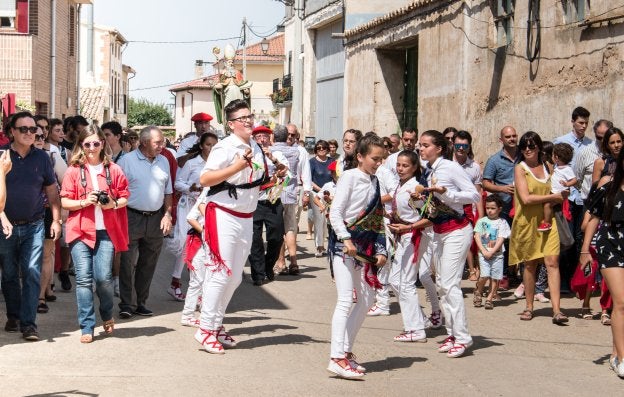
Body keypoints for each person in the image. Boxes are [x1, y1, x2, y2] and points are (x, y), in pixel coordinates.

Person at [195, 99, 267, 353]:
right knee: (220, 272)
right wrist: (236, 166)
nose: (248, 121)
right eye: (242, 118)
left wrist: (273, 178)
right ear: (231, 123)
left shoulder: (255, 146)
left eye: (250, 116)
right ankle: (205, 329)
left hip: (246, 216)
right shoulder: (225, 147)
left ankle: (215, 324)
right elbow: (205, 178)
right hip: (223, 214)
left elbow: (250, 182)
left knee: (235, 277)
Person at [60, 125, 129, 343]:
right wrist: (83, 201)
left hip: (106, 232)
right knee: (83, 280)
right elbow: (64, 201)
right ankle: (87, 326)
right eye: (87, 143)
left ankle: (107, 313)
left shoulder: (114, 170)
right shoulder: (73, 171)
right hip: (80, 230)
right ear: (81, 145)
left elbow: (126, 196)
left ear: (102, 143)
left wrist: (112, 204)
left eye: (95, 143)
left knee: (103, 279)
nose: (91, 148)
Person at [327, 134, 388, 378]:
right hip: (345, 247)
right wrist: (346, 239)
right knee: (345, 300)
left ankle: (346, 351)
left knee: (367, 298)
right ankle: (336, 357)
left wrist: (381, 249)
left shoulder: (375, 181)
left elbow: (378, 217)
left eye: (381, 159)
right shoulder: (350, 177)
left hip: (366, 249)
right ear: (360, 157)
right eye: (375, 158)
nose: (378, 163)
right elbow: (335, 212)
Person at [0, 112, 62, 341]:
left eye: (33, 129)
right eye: (23, 129)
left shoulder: (43, 158)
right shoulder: (1, 156)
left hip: (34, 225)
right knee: (8, 275)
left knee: (32, 272)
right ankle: (14, 315)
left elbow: (52, 191)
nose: (30, 133)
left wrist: (56, 219)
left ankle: (29, 323)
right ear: (12, 132)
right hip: (5, 227)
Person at [418, 130, 479, 358]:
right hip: (439, 231)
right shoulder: (430, 170)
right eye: (420, 145)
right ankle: (453, 333)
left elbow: (473, 195)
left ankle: (463, 338)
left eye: (425, 145)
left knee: (451, 285)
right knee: (443, 283)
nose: (421, 149)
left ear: (439, 148)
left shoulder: (451, 167)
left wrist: (448, 194)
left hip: (458, 230)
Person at [509, 131, 569, 324]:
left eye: (532, 145)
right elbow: (526, 199)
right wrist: (553, 198)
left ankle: (557, 310)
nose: (528, 149)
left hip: (548, 220)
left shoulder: (548, 166)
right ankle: (529, 306)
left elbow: (557, 188)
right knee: (530, 264)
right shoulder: (520, 168)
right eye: (524, 146)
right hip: (527, 223)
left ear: (538, 147)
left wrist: (562, 193)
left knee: (552, 262)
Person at [117, 126, 173, 319]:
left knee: (148, 263)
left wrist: (167, 215)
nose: (161, 145)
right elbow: (117, 191)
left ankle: (140, 302)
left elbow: (168, 192)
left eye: (162, 141)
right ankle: (126, 303)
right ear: (144, 142)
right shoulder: (127, 161)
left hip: (156, 218)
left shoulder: (164, 161)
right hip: (131, 216)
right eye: (157, 142)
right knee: (127, 262)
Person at [580, 149, 624, 378]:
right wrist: (585, 249)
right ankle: (622, 359)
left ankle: (616, 351)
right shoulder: (608, 185)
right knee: (621, 301)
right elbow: (594, 216)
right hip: (611, 248)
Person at [386, 150, 433, 341]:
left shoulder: (417, 188)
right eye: (398, 165)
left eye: (405, 166)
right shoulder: (400, 185)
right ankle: (421, 320)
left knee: (406, 283)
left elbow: (430, 217)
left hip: (415, 236)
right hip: (403, 237)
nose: (400, 169)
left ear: (414, 168)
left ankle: (415, 330)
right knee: (395, 281)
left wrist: (409, 225)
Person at [168, 132, 218, 298]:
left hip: (209, 208)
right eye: (208, 144)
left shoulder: (219, 164)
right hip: (189, 207)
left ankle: (198, 288)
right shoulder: (191, 163)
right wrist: (192, 188)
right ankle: (176, 281)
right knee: (186, 242)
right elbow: (177, 183)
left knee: (204, 245)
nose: (211, 148)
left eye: (214, 145)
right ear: (202, 146)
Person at [554, 106, 593, 292]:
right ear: (573, 121)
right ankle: (562, 281)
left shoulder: (590, 145)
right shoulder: (561, 142)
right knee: (565, 239)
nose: (583, 126)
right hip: (565, 199)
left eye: (586, 123)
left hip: (583, 198)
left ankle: (578, 282)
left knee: (580, 239)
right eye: (580, 123)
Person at [33, 124, 67, 314]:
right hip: (23, 213)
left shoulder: (53, 156)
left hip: (47, 211)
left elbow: (66, 180)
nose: (37, 139)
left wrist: (61, 210)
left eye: (40, 136)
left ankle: (40, 297)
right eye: (33, 135)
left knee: (46, 255)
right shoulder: (13, 157)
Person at [248, 125, 288, 285]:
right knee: (254, 239)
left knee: (276, 236)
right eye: (258, 137)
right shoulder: (250, 156)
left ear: (270, 138)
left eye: (265, 136)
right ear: (254, 139)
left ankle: (268, 265)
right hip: (254, 201)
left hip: (273, 200)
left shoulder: (277, 154)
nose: (262, 139)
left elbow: (286, 172)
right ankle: (258, 274)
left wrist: (272, 158)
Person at [482, 126, 518, 290]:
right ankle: (502, 275)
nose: (512, 139)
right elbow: (486, 182)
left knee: (520, 241)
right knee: (503, 242)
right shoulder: (494, 160)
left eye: (514, 136)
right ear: (501, 140)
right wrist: (503, 189)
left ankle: (516, 275)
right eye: (508, 136)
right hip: (503, 208)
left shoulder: (524, 156)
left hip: (523, 207)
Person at [274, 123, 309, 275]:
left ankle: (283, 261)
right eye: (288, 134)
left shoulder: (299, 151)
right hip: (289, 193)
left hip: (278, 193)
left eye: (293, 135)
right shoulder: (297, 151)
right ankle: (290, 261)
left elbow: (306, 172)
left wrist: (307, 192)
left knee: (285, 229)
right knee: (289, 229)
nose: (290, 137)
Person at [452, 130, 484, 281]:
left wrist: (482, 218)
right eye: (458, 144)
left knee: (469, 242)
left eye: (464, 146)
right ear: (453, 144)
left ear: (469, 147)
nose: (460, 148)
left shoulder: (475, 167)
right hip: (449, 210)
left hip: (468, 210)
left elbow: (478, 193)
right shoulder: (446, 164)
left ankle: (473, 269)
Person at [473, 195, 511, 310]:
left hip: (497, 255)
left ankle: (489, 298)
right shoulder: (482, 221)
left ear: (499, 209)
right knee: (484, 275)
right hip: (484, 254)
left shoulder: (502, 222)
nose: (489, 210)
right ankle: (479, 291)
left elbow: (501, 238)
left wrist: (493, 251)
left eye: (493, 208)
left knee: (495, 278)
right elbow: (477, 236)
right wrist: (484, 251)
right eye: (487, 207)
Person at [180, 189, 209, 327]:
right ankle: (187, 315)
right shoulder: (207, 194)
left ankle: (205, 312)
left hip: (214, 244)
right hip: (199, 243)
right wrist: (205, 233)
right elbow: (190, 217)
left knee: (209, 280)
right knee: (197, 280)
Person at [539, 143, 577, 232]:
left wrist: (567, 184)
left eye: (552, 154)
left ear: (556, 157)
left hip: (559, 194)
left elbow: (575, 180)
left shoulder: (567, 169)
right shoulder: (558, 167)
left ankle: (546, 223)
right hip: (555, 192)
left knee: (547, 205)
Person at [576, 119, 612, 199]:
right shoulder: (584, 153)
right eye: (599, 137)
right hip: (590, 201)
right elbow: (578, 179)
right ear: (595, 134)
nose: (603, 141)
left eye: (606, 137)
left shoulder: (617, 153)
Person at [309, 140, 333, 257]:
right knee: (319, 219)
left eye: (323, 147)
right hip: (316, 195)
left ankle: (327, 244)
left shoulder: (332, 161)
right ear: (315, 150)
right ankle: (319, 246)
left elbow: (336, 176)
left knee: (327, 221)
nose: (321, 149)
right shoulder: (312, 162)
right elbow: (308, 179)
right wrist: (320, 190)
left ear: (328, 149)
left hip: (330, 195)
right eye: (318, 148)